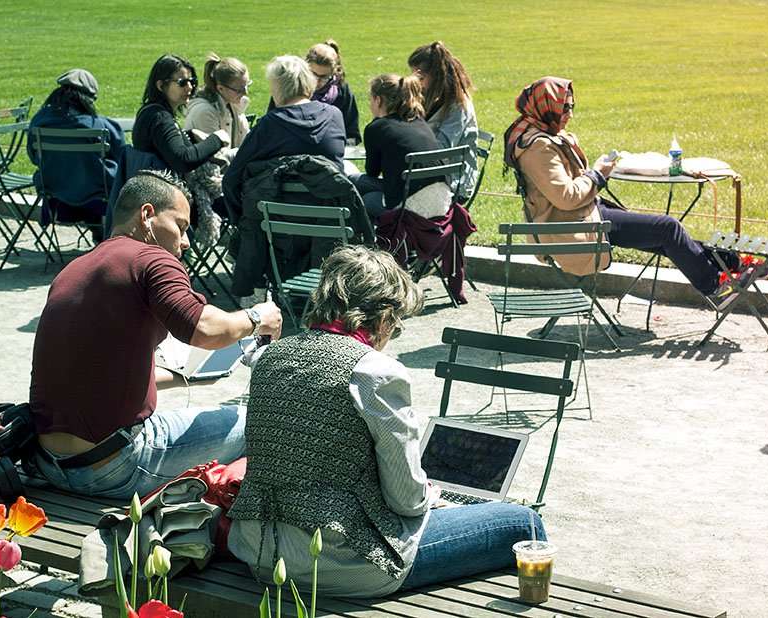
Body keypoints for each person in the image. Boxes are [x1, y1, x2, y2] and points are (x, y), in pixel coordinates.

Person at [226, 245, 544, 597]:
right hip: (339, 561)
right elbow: (406, 500)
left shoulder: (272, 356)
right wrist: (430, 497)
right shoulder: (373, 371)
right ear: (383, 316)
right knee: (523, 521)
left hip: (256, 549)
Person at [29, 170, 282, 500]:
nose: (186, 241)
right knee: (264, 421)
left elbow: (92, 373)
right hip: (114, 466)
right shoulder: (151, 258)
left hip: (51, 464)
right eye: (180, 226)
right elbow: (203, 329)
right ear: (147, 215)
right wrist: (257, 316)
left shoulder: (75, 268)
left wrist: (181, 377)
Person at [503, 77, 768, 304]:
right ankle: (716, 286)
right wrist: (597, 173)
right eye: (563, 108)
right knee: (668, 228)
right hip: (569, 229)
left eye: (571, 107)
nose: (569, 115)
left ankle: (731, 266)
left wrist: (596, 172)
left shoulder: (539, 131)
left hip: (583, 216)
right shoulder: (538, 146)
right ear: (545, 107)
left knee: (665, 234)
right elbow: (566, 197)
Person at [222, 54, 346, 216]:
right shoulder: (334, 116)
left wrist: (243, 219)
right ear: (310, 83)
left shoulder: (269, 125)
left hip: (276, 228)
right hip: (331, 221)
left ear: (277, 88)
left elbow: (231, 179)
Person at [26, 68, 125, 241]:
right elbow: (121, 158)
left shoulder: (39, 121)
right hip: (99, 197)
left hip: (54, 194)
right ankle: (107, 236)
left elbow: (34, 157)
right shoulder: (100, 126)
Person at [353, 74, 452, 220]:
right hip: (442, 202)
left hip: (409, 206)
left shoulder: (376, 127)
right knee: (359, 184)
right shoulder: (419, 122)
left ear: (378, 100)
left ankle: (369, 239)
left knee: (362, 194)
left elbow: (372, 172)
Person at [183, 53, 253, 244]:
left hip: (230, 180)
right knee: (255, 206)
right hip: (207, 188)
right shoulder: (205, 112)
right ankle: (241, 249)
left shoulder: (234, 105)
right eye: (240, 89)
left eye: (248, 85)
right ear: (221, 88)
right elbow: (213, 161)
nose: (245, 92)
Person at [132, 54, 230, 176]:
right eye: (182, 82)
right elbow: (183, 160)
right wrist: (217, 139)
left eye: (192, 81)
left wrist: (189, 135)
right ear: (161, 85)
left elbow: (164, 145)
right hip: (160, 192)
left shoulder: (151, 112)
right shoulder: (160, 117)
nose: (189, 87)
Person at [408, 42, 478, 201]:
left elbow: (443, 150)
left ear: (437, 76)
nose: (416, 82)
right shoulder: (430, 98)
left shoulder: (458, 105)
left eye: (420, 77)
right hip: (429, 176)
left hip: (453, 183)